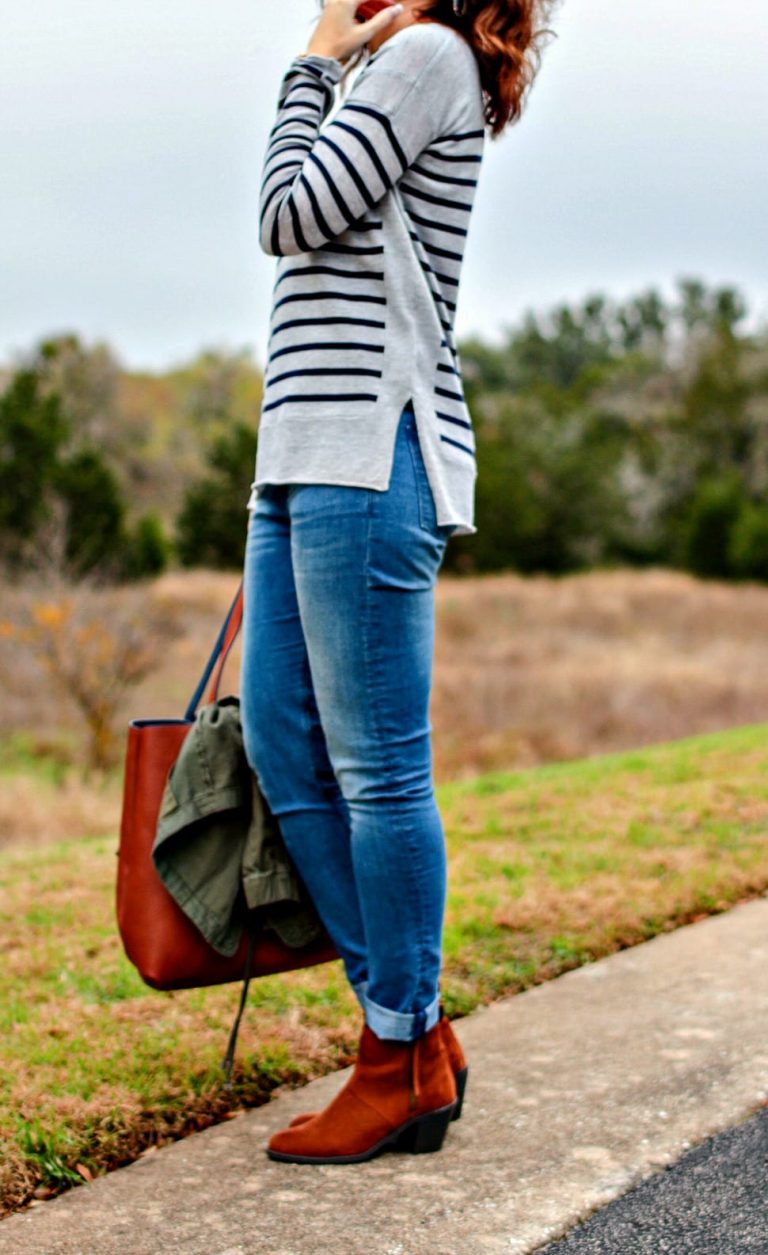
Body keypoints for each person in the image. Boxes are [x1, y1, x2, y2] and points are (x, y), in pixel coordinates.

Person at [239, 0, 557, 1165]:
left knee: (378, 770)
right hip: (302, 454)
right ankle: (416, 1026)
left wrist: (313, 59)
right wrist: (329, 73)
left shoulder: (421, 59)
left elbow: (290, 214)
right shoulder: (395, 66)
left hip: (371, 458)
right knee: (281, 742)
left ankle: (394, 1060)